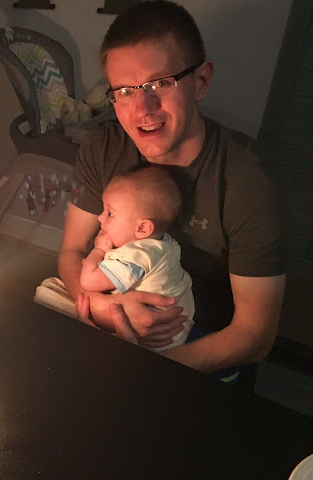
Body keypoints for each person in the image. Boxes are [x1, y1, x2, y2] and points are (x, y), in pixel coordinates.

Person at [36, 0, 285, 375]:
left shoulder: (248, 180)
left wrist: (149, 370)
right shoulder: (103, 147)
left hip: (194, 345)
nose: (142, 109)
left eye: (159, 83)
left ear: (200, 82)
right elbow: (71, 250)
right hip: (104, 310)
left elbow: (254, 334)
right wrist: (105, 309)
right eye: (124, 91)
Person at [79, 166, 194, 352]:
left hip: (147, 340)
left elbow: (88, 281)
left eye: (110, 213)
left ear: (142, 228)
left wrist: (98, 250)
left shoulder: (135, 257)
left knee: (48, 296)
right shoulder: (163, 244)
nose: (100, 218)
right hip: (175, 335)